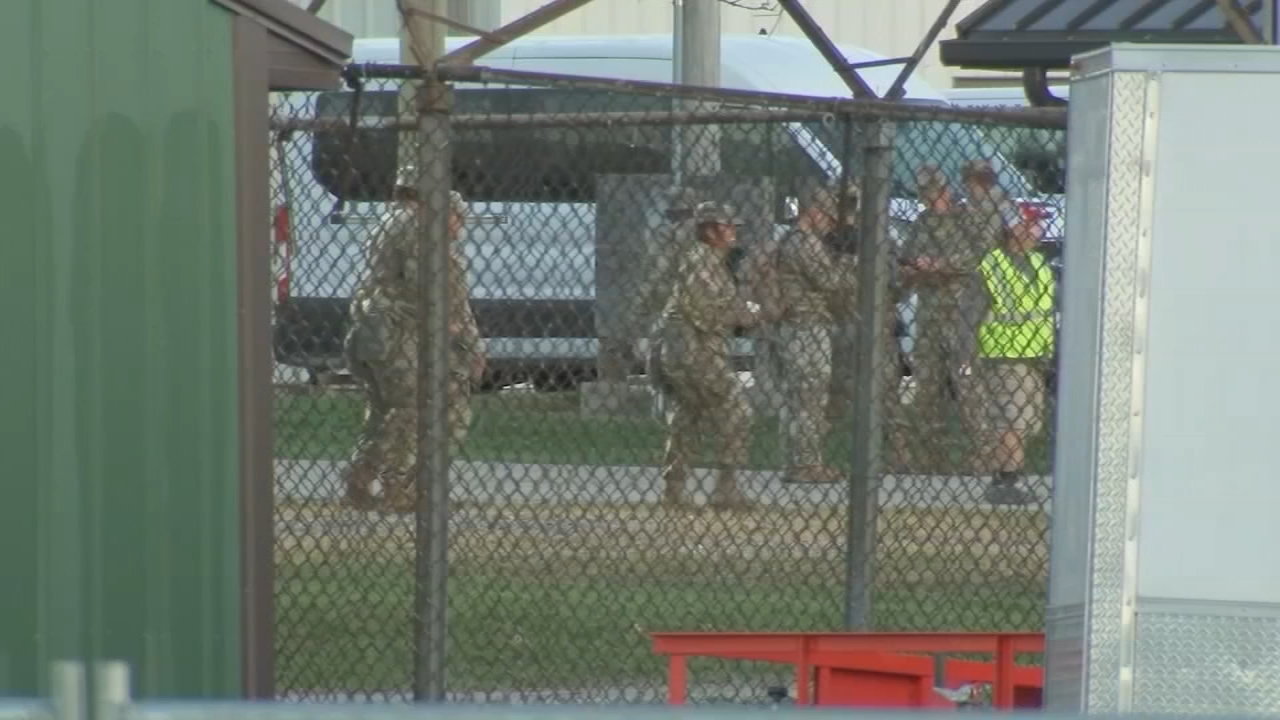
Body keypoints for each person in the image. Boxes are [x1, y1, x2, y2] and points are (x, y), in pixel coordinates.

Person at [343, 171, 485, 513]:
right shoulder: (417, 228)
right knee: (413, 409)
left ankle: (360, 477)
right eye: (457, 216)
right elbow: (434, 288)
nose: (459, 226)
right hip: (402, 333)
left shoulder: (386, 224)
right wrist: (466, 339)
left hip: (373, 327)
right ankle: (399, 487)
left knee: (384, 410)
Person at [656, 201, 760, 509]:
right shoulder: (703, 263)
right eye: (727, 227)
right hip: (695, 352)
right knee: (737, 410)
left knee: (687, 416)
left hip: (690, 351)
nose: (733, 233)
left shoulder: (710, 262)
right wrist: (745, 316)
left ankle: (674, 489)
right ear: (710, 230)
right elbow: (704, 312)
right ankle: (725, 489)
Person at [963, 203, 1055, 506]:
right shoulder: (993, 265)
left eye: (1038, 224)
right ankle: (1006, 480)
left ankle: (1004, 474)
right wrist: (967, 354)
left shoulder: (1039, 263)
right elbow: (973, 311)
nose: (1038, 230)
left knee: (1028, 423)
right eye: (1031, 223)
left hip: (1035, 356)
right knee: (1012, 420)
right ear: (1014, 227)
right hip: (1004, 355)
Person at [898, 165, 985, 471]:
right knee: (927, 387)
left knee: (967, 385)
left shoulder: (966, 220)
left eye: (935, 190)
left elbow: (977, 258)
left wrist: (941, 264)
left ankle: (982, 456)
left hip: (960, 313)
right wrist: (911, 269)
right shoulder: (921, 223)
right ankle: (930, 457)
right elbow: (906, 258)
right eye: (925, 192)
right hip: (929, 313)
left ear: (947, 190)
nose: (930, 197)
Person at [775, 183, 860, 484]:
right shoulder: (805, 243)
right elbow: (832, 282)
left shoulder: (796, 240)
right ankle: (805, 465)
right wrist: (849, 256)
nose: (830, 222)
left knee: (802, 396)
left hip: (804, 325)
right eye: (826, 215)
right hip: (806, 325)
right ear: (812, 212)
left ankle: (798, 461)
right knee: (809, 395)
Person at [633, 186, 700, 398]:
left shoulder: (668, 235)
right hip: (699, 299)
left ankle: (664, 397)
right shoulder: (706, 233)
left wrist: (640, 307)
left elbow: (657, 272)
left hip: (671, 298)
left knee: (662, 352)